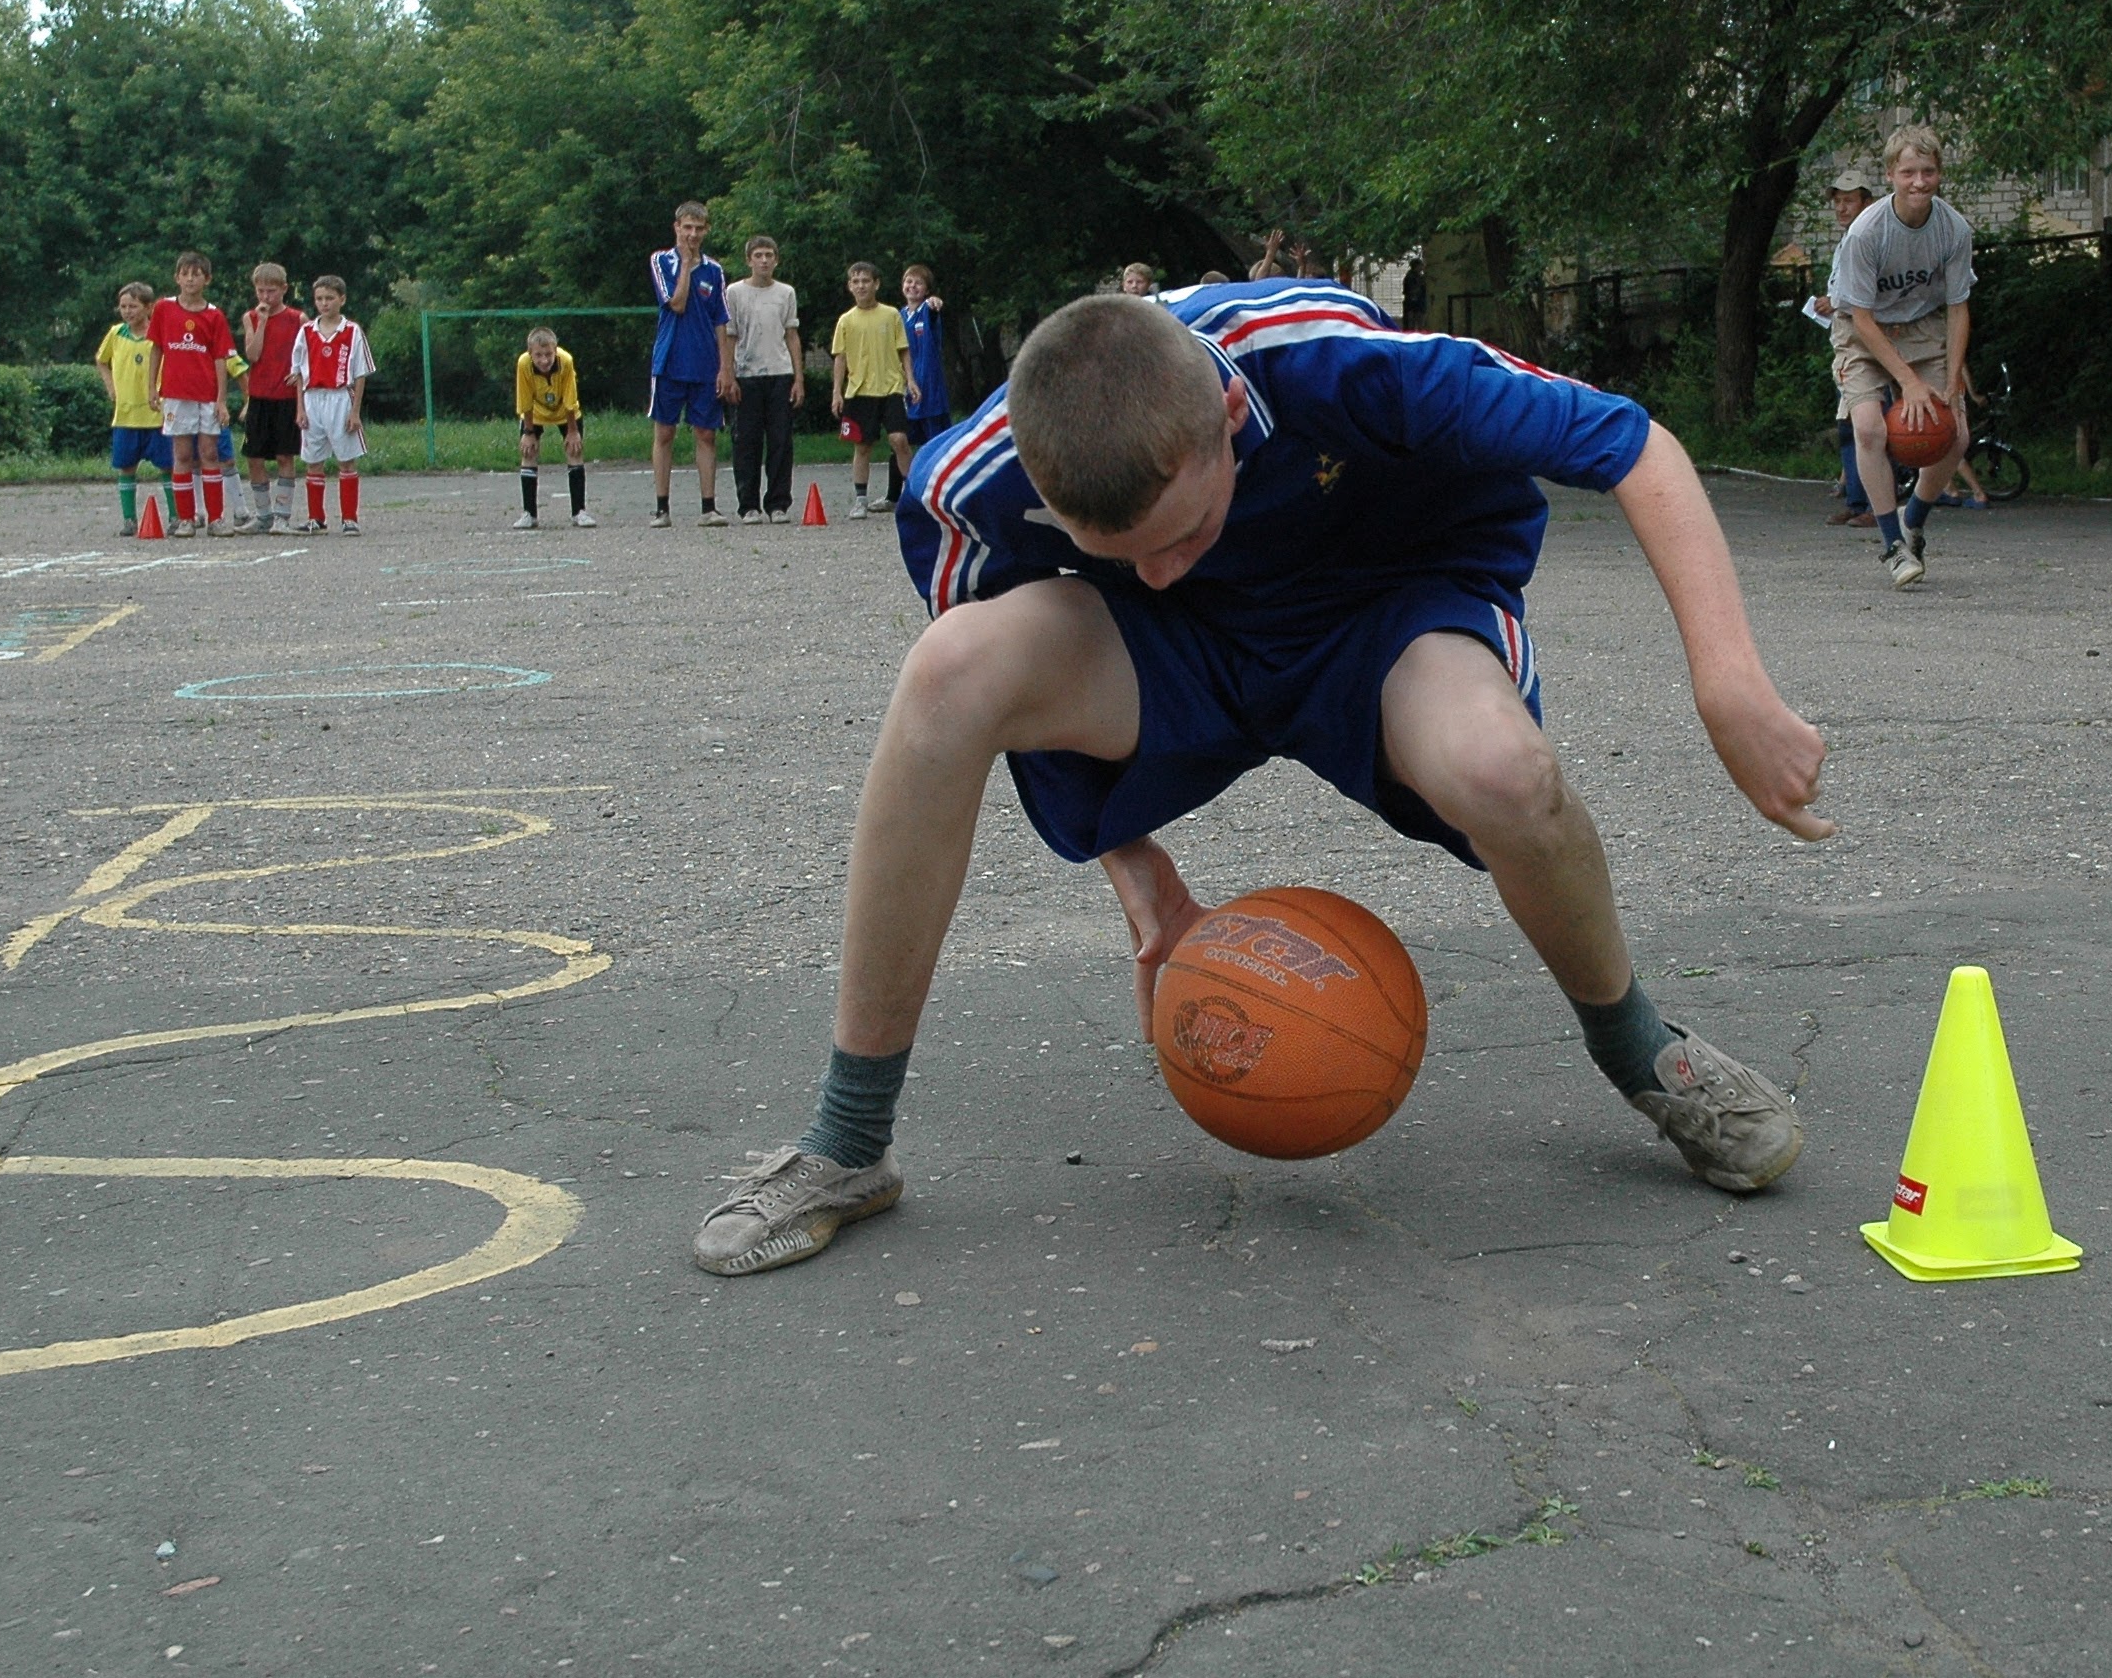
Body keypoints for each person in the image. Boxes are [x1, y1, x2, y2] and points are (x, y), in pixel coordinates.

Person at [690, 281, 1829, 1278]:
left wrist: (1727, 682)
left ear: (1229, 419)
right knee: (949, 674)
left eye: (1182, 530)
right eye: (1122, 550)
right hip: (1175, 651)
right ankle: (849, 1137)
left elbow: (1634, 445)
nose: (1158, 565)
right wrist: (1131, 867)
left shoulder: (1337, 361)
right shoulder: (968, 483)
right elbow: (1028, 712)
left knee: (1503, 769)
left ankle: (1642, 1050)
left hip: (1381, 612)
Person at [1829, 125, 1974, 590]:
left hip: (1920, 325)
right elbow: (1862, 318)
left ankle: (1914, 521)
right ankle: (1892, 545)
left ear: (1939, 174)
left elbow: (1958, 308)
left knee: (1956, 435)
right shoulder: (1866, 232)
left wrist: (1952, 381)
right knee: (1869, 427)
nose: (1919, 182)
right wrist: (1908, 382)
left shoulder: (1954, 229)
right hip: (1862, 328)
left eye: (1927, 172)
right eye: (1908, 172)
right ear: (1891, 174)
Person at [648, 201, 732, 528]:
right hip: (670, 361)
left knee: (706, 434)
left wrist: (725, 368)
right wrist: (685, 263)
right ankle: (662, 508)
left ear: (706, 230)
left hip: (704, 363)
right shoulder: (661, 261)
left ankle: (709, 507)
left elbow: (721, 320)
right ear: (677, 228)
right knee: (665, 432)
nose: (693, 234)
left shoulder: (714, 271)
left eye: (698, 228)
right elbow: (677, 303)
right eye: (687, 227)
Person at [1802, 167, 1878, 526]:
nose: (1841, 208)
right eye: (1837, 202)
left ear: (1867, 202)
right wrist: (1830, 303)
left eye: (1849, 201)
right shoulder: (1846, 241)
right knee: (1848, 425)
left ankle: (1877, 504)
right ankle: (1857, 500)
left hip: (1866, 342)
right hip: (1845, 341)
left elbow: (1872, 292)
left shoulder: (1872, 238)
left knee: (1871, 425)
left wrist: (1836, 302)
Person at [145, 252, 239, 538]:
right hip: (176, 393)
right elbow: (157, 348)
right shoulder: (164, 309)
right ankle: (185, 518)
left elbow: (220, 358)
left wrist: (221, 399)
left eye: (196, 275)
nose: (190, 279)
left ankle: (216, 519)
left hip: (207, 394)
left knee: (209, 453)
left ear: (207, 279)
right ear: (177, 277)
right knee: (182, 454)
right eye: (185, 274)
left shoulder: (214, 315)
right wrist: (152, 387)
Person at [722, 236, 803, 522]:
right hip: (746, 374)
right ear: (749, 260)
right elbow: (729, 336)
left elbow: (791, 335)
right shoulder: (734, 292)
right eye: (758, 255)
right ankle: (748, 505)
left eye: (769, 255)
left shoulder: (786, 293)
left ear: (776, 260)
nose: (764, 260)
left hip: (779, 373)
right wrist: (728, 374)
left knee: (781, 442)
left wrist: (798, 378)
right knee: (746, 442)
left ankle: (778, 503)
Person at [830, 262, 914, 517]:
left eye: (866, 281)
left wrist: (911, 380)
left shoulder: (891, 315)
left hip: (890, 388)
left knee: (899, 439)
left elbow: (903, 350)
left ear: (876, 284)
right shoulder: (846, 320)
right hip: (860, 391)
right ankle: (860, 499)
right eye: (856, 282)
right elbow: (840, 357)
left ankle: (913, 494)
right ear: (849, 286)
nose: (861, 286)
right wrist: (837, 392)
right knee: (862, 445)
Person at [292, 275, 372, 534]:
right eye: (319, 299)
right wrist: (300, 408)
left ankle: (349, 518)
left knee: (346, 460)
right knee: (313, 460)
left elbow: (360, 373)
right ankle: (316, 517)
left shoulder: (352, 331)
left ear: (342, 299)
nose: (324, 303)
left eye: (329, 298)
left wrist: (355, 412)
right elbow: (298, 372)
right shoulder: (306, 332)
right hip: (313, 398)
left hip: (340, 398)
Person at [235, 261, 304, 534]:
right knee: (254, 457)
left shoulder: (298, 319)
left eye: (271, 291)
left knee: (285, 455)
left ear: (284, 289)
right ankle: (263, 515)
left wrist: (300, 377)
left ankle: (282, 516)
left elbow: (305, 357)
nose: (266, 297)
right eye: (261, 291)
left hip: (286, 396)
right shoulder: (250, 317)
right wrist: (261, 321)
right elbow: (253, 355)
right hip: (260, 395)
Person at [95, 281, 167, 536]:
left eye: (133, 306)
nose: (127, 311)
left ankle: (177, 516)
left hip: (156, 414)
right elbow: (101, 360)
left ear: (148, 307)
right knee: (126, 467)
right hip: (126, 414)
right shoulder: (116, 334)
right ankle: (129, 520)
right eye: (123, 307)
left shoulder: (159, 334)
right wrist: (111, 387)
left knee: (168, 466)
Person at [513, 325, 595, 529]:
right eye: (538, 355)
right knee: (528, 453)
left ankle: (579, 512)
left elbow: (570, 399)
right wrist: (528, 432)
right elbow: (524, 400)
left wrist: (573, 431)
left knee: (574, 451)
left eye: (548, 354)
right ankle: (529, 514)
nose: (544, 360)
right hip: (536, 412)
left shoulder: (565, 361)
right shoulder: (523, 364)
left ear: (555, 350)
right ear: (530, 353)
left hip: (565, 412)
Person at [899, 261, 949, 452]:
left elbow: (934, 307)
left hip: (929, 387)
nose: (912, 286)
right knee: (904, 440)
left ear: (927, 290)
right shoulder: (898, 316)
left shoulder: (928, 311)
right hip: (905, 386)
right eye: (908, 281)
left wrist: (935, 303)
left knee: (935, 442)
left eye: (918, 283)